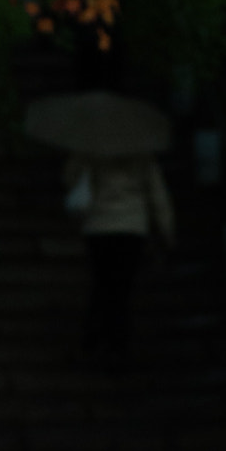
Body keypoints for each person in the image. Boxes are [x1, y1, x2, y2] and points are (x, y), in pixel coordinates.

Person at [64, 149, 175, 369]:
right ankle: (117, 345)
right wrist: (167, 232)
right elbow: (158, 196)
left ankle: (93, 340)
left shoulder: (90, 151)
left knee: (102, 282)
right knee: (121, 287)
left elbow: (69, 178)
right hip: (131, 227)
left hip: (99, 226)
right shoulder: (144, 156)